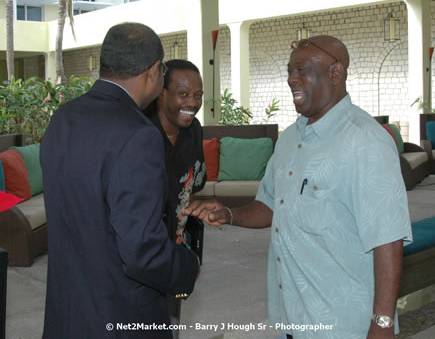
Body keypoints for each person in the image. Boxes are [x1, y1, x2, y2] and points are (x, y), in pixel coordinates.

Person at [183, 35, 412, 339]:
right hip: (294, 319)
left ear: (335, 73)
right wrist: (228, 213)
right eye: (290, 71)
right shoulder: (291, 139)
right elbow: (269, 206)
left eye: (302, 70)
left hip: (344, 325)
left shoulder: (366, 141)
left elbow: (388, 240)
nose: (292, 79)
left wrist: (382, 325)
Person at [40, 22, 200, 339]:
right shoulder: (139, 134)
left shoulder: (63, 118)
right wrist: (186, 266)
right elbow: (142, 251)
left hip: (68, 314)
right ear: (154, 72)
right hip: (120, 316)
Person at [144, 59, 207, 338]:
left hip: (177, 246)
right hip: (141, 250)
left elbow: (195, 182)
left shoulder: (193, 131)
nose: (192, 102)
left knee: (170, 324)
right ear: (161, 92)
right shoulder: (138, 131)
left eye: (198, 95)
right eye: (183, 94)